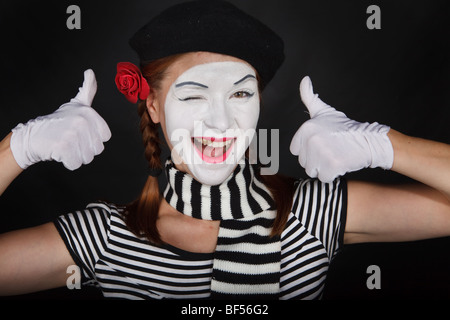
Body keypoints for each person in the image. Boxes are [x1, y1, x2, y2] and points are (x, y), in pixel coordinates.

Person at [0, 0, 449, 300]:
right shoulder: (106, 236)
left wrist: (384, 145)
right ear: (153, 106)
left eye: (239, 95)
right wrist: (19, 148)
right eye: (193, 96)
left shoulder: (313, 211)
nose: (220, 122)